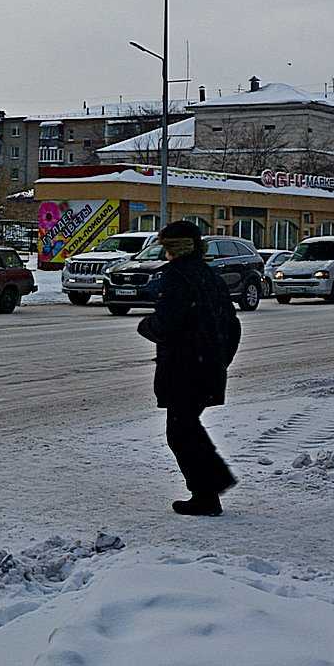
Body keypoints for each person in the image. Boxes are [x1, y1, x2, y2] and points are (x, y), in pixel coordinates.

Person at [137, 220, 241, 515]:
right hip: (206, 365)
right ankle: (209, 489)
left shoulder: (177, 277)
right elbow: (232, 325)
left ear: (172, 248)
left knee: (181, 430)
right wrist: (221, 358)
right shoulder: (209, 276)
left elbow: (168, 324)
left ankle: (207, 493)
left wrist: (147, 326)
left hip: (185, 366)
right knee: (186, 427)